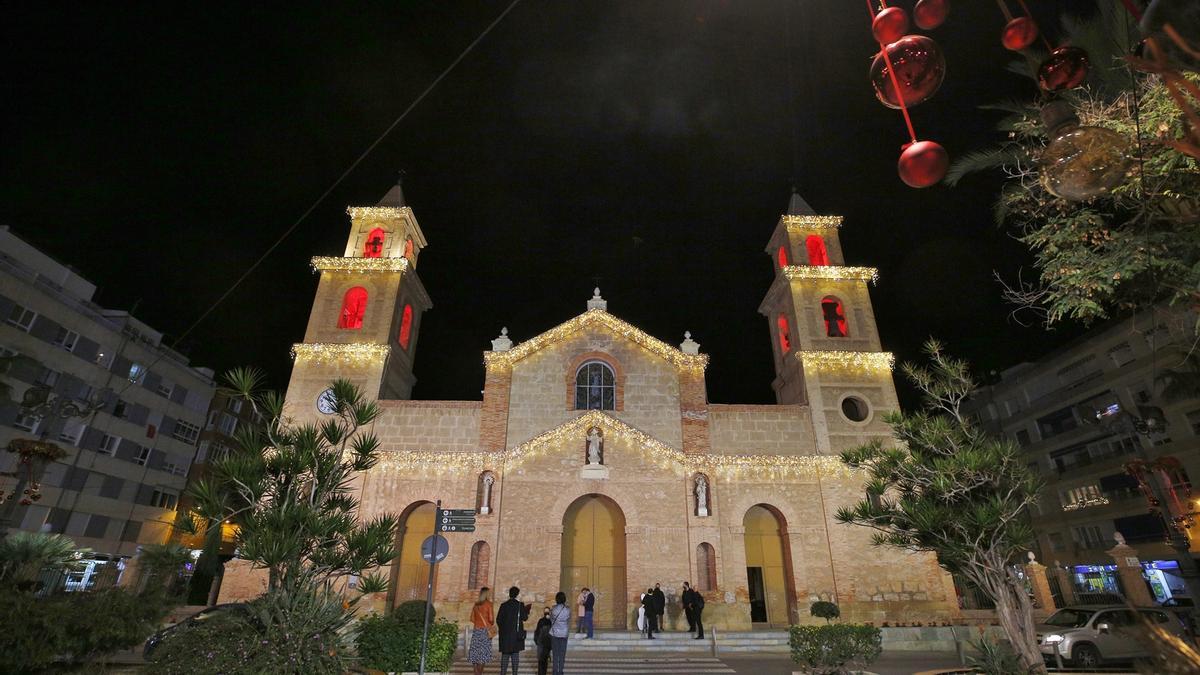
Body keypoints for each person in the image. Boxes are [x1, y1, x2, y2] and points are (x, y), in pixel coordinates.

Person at [496, 586, 531, 675]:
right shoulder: (520, 605)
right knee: (515, 657)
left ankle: (503, 673)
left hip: (505, 636)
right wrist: (527, 611)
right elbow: (525, 618)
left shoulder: (503, 605)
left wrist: (503, 629)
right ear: (517, 594)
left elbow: (498, 620)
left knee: (505, 657)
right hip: (516, 636)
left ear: (509, 594)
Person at [469, 587, 496, 675]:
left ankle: (475, 672)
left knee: (475, 653)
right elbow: (491, 620)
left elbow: (472, 618)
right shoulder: (489, 604)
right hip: (485, 632)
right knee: (483, 654)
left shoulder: (476, 605)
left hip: (476, 631)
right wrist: (488, 623)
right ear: (487, 594)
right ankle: (479, 673)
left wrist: (478, 623)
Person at [549, 591, 572, 675]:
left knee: (555, 654)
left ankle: (555, 672)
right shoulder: (567, 610)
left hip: (555, 634)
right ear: (564, 599)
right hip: (564, 634)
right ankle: (561, 671)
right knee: (562, 654)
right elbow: (568, 620)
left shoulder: (553, 609)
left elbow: (551, 620)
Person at [533, 607, 552, 675]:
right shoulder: (549, 621)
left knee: (542, 660)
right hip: (544, 643)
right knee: (543, 660)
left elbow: (537, 631)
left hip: (544, 643)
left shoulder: (545, 621)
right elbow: (537, 631)